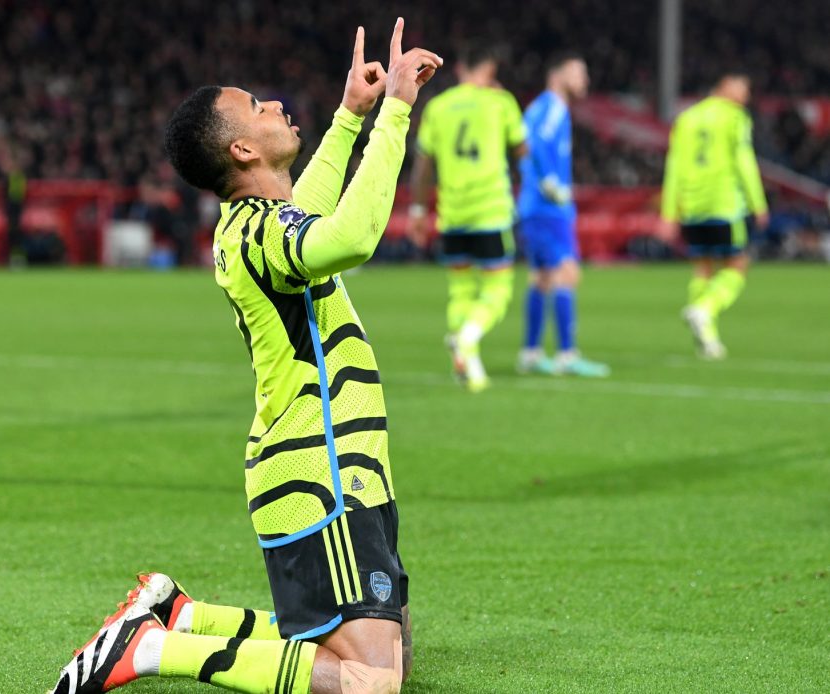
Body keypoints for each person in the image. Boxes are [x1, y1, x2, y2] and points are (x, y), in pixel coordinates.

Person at [50, 19, 440, 694]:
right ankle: (153, 649)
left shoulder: (253, 224)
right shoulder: (259, 233)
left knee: (394, 646)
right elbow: (350, 237)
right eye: (258, 107)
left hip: (339, 462)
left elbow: (307, 213)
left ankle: (185, 616)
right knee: (372, 681)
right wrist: (395, 113)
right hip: (318, 470)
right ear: (241, 148)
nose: (276, 105)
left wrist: (350, 115)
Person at [408, 42, 528, 393]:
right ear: (490, 70)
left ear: (460, 68)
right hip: (490, 212)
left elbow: (423, 166)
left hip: (453, 214)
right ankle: (467, 338)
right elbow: (523, 150)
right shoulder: (500, 102)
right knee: (497, 291)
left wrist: (418, 210)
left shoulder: (438, 107)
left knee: (460, 289)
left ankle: (466, 365)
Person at [661, 69, 768, 359]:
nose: (745, 96)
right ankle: (704, 309)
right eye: (742, 89)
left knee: (703, 269)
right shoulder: (734, 117)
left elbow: (674, 166)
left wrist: (669, 211)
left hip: (692, 205)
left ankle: (707, 339)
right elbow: (744, 161)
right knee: (738, 265)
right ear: (725, 86)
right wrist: (758, 203)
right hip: (724, 203)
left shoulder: (686, 118)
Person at [515, 52, 610, 377]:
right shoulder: (553, 106)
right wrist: (550, 182)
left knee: (541, 278)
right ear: (558, 75)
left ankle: (531, 353)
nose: (585, 79)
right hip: (548, 207)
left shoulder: (539, 107)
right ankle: (567, 354)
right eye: (578, 73)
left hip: (534, 205)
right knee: (566, 274)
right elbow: (534, 144)